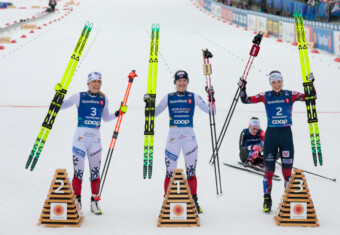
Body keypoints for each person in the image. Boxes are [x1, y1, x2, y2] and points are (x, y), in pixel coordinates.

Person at [239, 70, 315, 213]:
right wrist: (242, 88)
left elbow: (311, 97)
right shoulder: (265, 96)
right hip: (271, 137)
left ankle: (287, 199)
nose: (276, 85)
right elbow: (245, 100)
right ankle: (267, 199)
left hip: (286, 135)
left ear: (282, 81)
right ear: (270, 83)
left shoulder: (290, 94)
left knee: (287, 172)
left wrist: (310, 84)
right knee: (269, 171)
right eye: (273, 82)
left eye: (279, 81)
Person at [144, 70, 215, 214]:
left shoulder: (194, 96)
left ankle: (194, 200)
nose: (182, 83)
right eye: (179, 81)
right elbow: (153, 114)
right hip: (173, 138)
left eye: (184, 81)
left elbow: (211, 111)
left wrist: (211, 97)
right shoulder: (168, 97)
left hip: (189, 138)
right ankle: (166, 202)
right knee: (170, 172)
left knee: (191, 171)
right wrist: (148, 103)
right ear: (175, 83)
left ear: (187, 82)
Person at [57, 72, 127, 215]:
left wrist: (118, 113)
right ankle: (77, 202)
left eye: (99, 82)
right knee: (78, 172)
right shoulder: (79, 96)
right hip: (80, 139)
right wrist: (58, 95)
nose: (96, 84)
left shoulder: (103, 98)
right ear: (88, 83)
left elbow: (106, 118)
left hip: (95, 140)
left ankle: (94, 202)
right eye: (93, 82)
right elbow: (61, 106)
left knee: (95, 172)